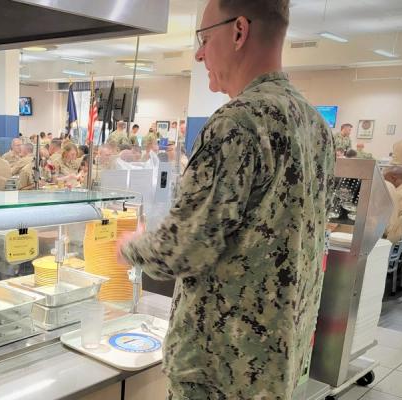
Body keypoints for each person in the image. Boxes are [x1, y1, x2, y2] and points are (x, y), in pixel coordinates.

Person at [118, 1, 335, 398]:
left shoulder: (237, 122)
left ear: (238, 31)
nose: (199, 53)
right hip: (277, 358)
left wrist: (130, 245)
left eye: (204, 39)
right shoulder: (315, 125)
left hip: (221, 367)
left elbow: (184, 247)